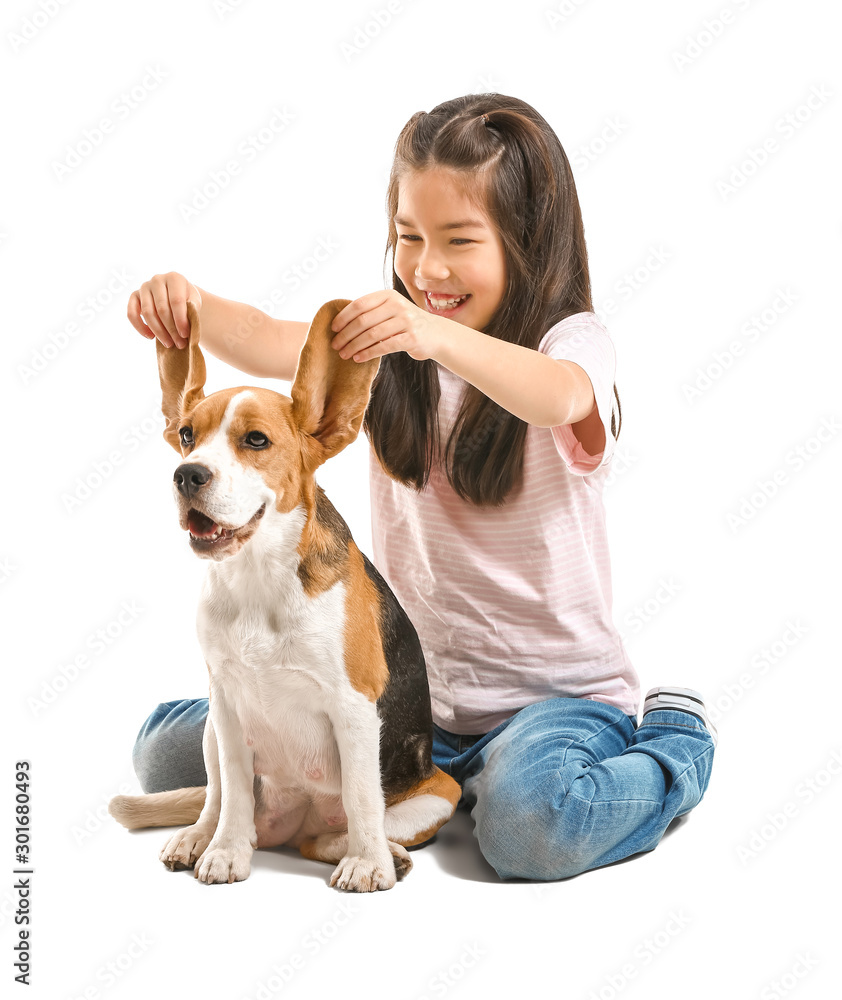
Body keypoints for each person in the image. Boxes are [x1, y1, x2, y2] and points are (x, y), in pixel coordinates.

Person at [126, 93, 716, 882]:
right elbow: (266, 336)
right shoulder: (386, 353)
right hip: (408, 704)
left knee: (529, 830)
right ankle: (439, 786)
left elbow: (560, 393)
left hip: (550, 704)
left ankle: (676, 744)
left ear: (528, 243)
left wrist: (434, 334)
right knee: (164, 751)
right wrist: (188, 305)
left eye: (459, 241)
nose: (427, 269)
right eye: (409, 238)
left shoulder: (569, 343)